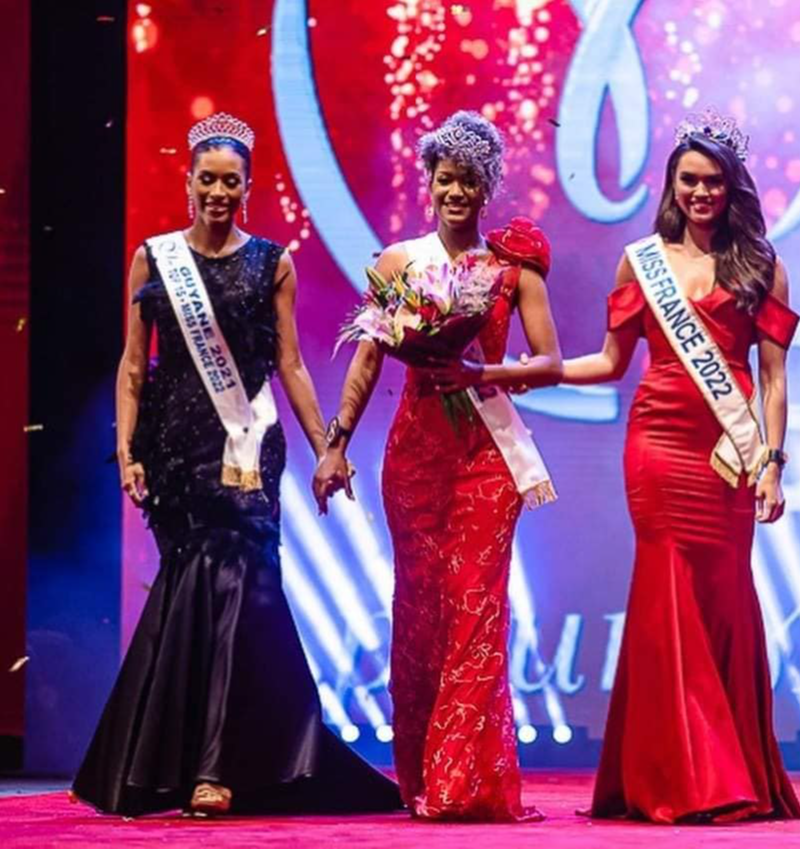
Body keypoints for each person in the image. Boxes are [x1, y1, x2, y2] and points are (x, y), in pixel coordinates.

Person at [72, 113, 402, 817]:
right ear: (189, 183)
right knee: (190, 596)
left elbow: (290, 364)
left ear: (247, 188)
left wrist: (329, 448)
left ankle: (216, 769)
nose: (218, 192)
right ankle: (179, 761)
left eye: (231, 182)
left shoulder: (272, 262)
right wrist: (128, 452)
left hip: (247, 449)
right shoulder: (154, 258)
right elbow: (132, 367)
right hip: (176, 452)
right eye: (208, 180)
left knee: (241, 593)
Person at [314, 111, 562, 821]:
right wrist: (334, 445)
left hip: (486, 459)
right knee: (421, 613)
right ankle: (422, 773)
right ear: (429, 182)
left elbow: (549, 361)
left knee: (477, 609)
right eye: (445, 179)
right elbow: (367, 358)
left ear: (488, 188)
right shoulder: (398, 263)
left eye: (469, 181)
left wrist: (485, 370)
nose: (456, 192)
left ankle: (459, 784)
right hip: (416, 458)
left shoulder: (512, 270)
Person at [560, 108, 800, 823]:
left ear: (732, 188)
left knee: (723, 598)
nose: (700, 192)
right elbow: (609, 362)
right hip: (658, 445)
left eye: (713, 182)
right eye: (688, 180)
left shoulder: (762, 266)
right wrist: (527, 373)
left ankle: (727, 766)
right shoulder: (639, 261)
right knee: (666, 590)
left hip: (728, 455)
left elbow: (773, 380)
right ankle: (684, 777)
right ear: (672, 185)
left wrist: (772, 462)